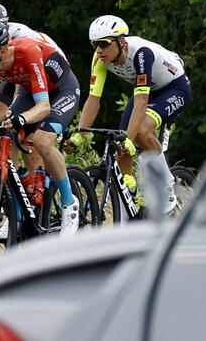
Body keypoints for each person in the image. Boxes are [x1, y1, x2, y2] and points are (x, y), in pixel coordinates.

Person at [0, 21, 81, 236]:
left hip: (61, 90)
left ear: (2, 51)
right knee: (3, 135)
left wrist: (23, 119)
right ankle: (18, 211)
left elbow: (44, 107)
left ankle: (70, 204)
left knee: (41, 141)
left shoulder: (27, 51)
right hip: (30, 91)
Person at [77, 14, 191, 216]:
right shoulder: (99, 60)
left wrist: (131, 139)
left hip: (175, 87)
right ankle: (127, 215)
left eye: (104, 44)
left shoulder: (141, 54)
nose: (99, 50)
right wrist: (79, 135)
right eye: (95, 45)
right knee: (121, 150)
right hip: (146, 91)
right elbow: (93, 100)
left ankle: (166, 184)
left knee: (140, 133)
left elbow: (141, 102)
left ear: (121, 41)